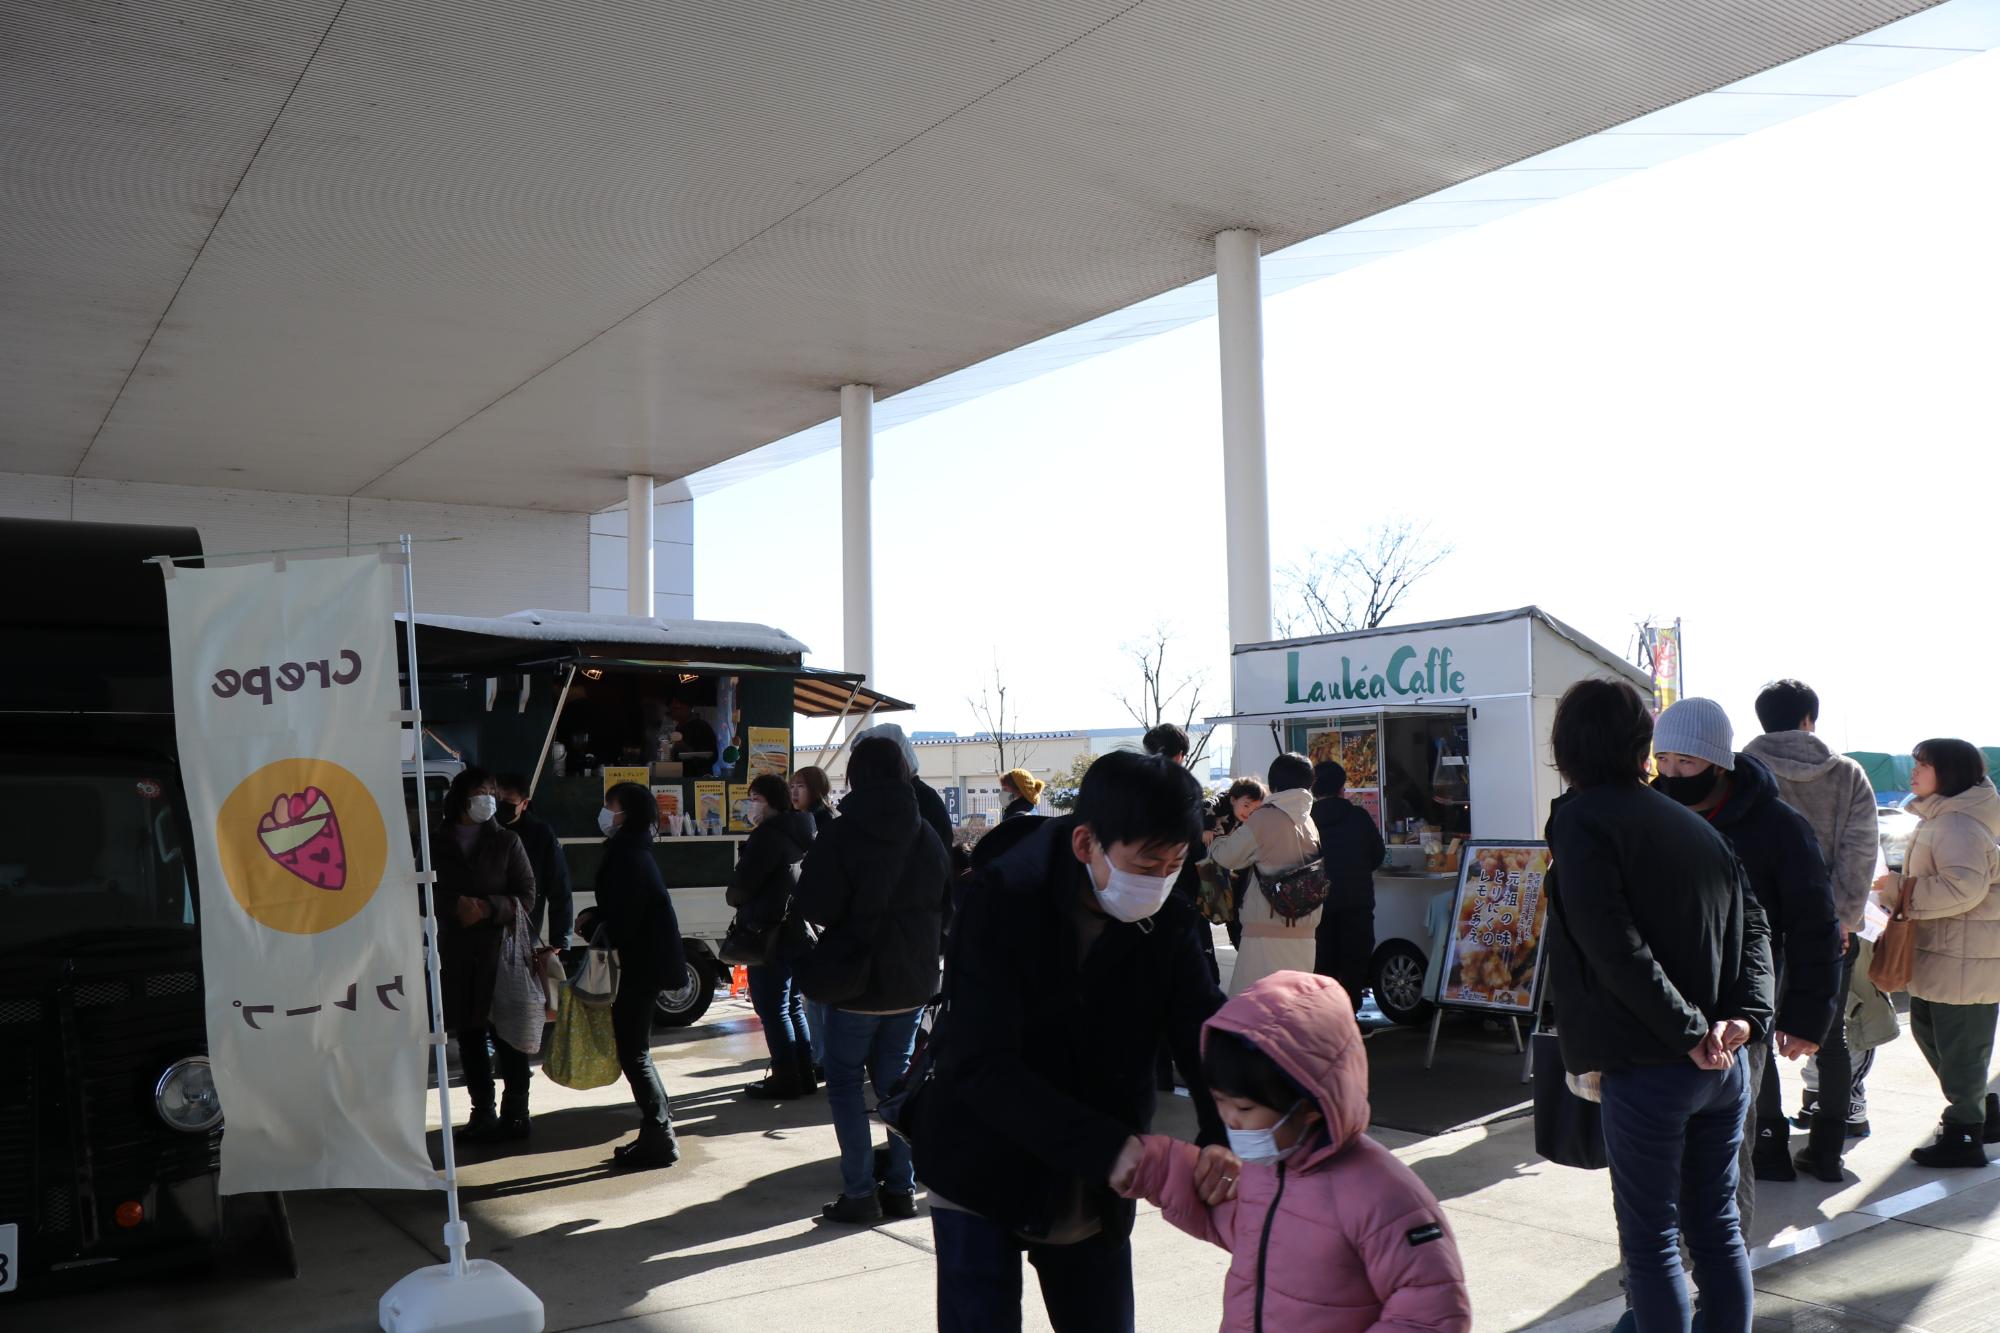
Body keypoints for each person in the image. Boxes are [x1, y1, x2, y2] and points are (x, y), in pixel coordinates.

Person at [907, 749, 1233, 1333]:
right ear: (1086, 844)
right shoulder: (1000, 900)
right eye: (1146, 862)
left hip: (1093, 1183)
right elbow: (980, 1064)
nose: (1159, 881)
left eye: (1176, 864)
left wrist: (1222, 1134)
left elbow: (1204, 1030)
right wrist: (1110, 1148)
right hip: (981, 1159)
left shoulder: (1171, 923)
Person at [1542, 678, 1773, 1333]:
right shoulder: (1695, 827)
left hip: (1653, 1065)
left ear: (1568, 747)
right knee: (1717, 1229)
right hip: (1720, 1066)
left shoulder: (1583, 820)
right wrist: (1743, 1018)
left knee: (1652, 1243)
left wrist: (1689, 1029)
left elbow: (1611, 941)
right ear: (1641, 745)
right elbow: (1754, 928)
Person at [1114, 971, 1472, 1332]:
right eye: (1220, 1103)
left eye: (1244, 1108)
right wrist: (1158, 1167)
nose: (1228, 1121)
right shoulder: (1267, 1166)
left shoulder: (1387, 1198)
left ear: (1311, 1105)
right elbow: (1247, 1227)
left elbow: (1431, 1316)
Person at [1650, 698, 1840, 1218]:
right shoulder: (1645, 814)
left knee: (1725, 1154)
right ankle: (1654, 1277)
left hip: (1738, 1011)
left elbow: (1813, 924)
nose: (1671, 773)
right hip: (1654, 1006)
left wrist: (1806, 1017)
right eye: (1662, 759)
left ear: (1717, 761)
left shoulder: (1776, 825)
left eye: (1685, 762)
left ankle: (1721, 1274)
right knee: (1655, 1158)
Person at [794, 736, 952, 1223]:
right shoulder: (925, 831)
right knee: (895, 1082)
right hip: (911, 982)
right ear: (904, 771)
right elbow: (947, 909)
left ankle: (860, 1192)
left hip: (856, 981)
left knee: (844, 1082)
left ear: (855, 776)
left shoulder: (841, 835)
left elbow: (814, 905)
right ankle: (902, 1190)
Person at [1743, 679, 1880, 1156]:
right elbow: (1860, 853)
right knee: (1832, 1036)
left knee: (1755, 1033)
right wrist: (1840, 920)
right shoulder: (1847, 774)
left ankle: (1769, 1143)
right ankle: (1827, 1149)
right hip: (1827, 929)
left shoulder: (1742, 769)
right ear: (1808, 720)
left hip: (1755, 929)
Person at [1871, 738, 2000, 1168]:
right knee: (1937, 1036)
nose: (1913, 772)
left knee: (1959, 1048)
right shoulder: (1945, 817)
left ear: (1949, 773)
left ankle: (1965, 1136)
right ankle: (1983, 1111)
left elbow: (1962, 888)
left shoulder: (1957, 824)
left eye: (1922, 765)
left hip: (1965, 957)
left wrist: (1898, 891)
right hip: (1950, 954)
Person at [434, 766, 537, 1145]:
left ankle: (517, 1113)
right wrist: (453, 905)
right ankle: (483, 1113)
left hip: (502, 955)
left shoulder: (507, 842)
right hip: (458, 954)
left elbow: (527, 896)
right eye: (482, 789)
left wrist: (489, 908)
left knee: (509, 1037)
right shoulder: (436, 841)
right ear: (462, 796)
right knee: (470, 1037)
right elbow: (416, 890)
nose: (489, 797)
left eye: (493, 790)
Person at [596, 781, 686, 1169]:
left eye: (609, 805)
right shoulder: (634, 851)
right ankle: (658, 1131)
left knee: (635, 1052)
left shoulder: (627, 855)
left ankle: (660, 1135)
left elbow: (626, 917)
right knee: (636, 1051)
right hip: (646, 962)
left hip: (642, 964)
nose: (604, 813)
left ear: (626, 812)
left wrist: (595, 926)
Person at [729, 773, 819, 1100]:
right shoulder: (804, 830)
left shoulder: (767, 836)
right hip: (797, 930)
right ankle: (805, 1073)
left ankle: (786, 1076)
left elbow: (743, 886)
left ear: (771, 803)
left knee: (771, 1007)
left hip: (768, 932)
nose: (750, 805)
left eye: (756, 799)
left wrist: (734, 895)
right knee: (793, 1005)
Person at [1209, 753, 1322, 998]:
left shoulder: (1264, 817)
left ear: (1275, 783)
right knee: (1292, 1009)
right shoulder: (1308, 821)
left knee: (1252, 1013)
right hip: (1305, 932)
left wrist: (1216, 835)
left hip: (1266, 931)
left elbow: (1227, 856)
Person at [1309, 759, 1386, 1007]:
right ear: (1343, 787)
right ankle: (1349, 1017)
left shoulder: (1306, 821)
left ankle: (1325, 1019)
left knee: (1323, 964)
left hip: (1319, 906)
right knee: (1354, 962)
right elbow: (1377, 855)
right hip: (1357, 902)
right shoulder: (1358, 816)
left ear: (1312, 788)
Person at [791, 762, 838, 1079]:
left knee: (819, 995)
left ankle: (823, 1058)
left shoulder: (823, 822)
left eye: (801, 785)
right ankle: (820, 1055)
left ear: (817, 789)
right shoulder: (805, 819)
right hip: (815, 917)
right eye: (791, 785)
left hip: (824, 920)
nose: (794, 791)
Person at [495, 772, 573, 949]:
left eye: (509, 804)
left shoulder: (541, 835)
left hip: (523, 929)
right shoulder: (484, 829)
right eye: (498, 801)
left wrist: (559, 940)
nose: (501, 808)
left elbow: (559, 886)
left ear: (524, 804)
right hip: (486, 926)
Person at [1209, 778, 1267, 952]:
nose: (1249, 812)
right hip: (1213, 876)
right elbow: (1205, 806)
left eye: (1255, 809)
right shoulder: (1218, 809)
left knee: (1232, 921)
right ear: (1233, 799)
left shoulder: (1248, 824)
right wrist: (1208, 826)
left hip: (1232, 882)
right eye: (1246, 805)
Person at [667, 696, 719, 765]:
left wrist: (685, 748)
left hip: (697, 774)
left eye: (678, 708)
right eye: (672, 709)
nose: (674, 711)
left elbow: (711, 756)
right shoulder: (677, 727)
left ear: (688, 708)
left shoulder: (701, 727)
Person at [791, 765, 837, 835]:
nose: (794, 792)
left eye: (800, 786)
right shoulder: (790, 819)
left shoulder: (826, 824)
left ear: (816, 789)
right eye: (792, 786)